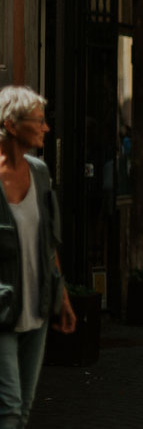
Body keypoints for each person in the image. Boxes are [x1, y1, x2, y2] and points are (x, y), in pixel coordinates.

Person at [0, 86, 75, 428]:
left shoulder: (40, 173)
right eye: (39, 121)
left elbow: (48, 243)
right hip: (2, 309)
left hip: (38, 308)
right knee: (11, 408)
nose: (46, 128)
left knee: (24, 407)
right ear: (11, 125)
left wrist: (62, 297)